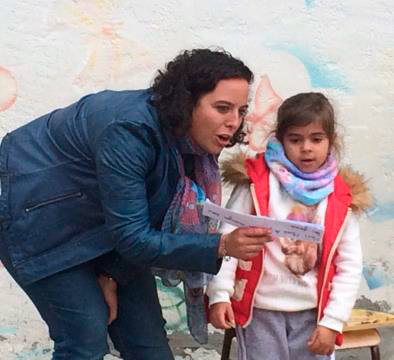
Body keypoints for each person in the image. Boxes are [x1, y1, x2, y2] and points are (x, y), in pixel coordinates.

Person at [0, 48, 273, 360]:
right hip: (36, 216)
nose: (233, 122)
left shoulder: (189, 138)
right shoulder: (129, 131)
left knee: (149, 345)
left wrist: (113, 274)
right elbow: (132, 237)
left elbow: (147, 216)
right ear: (187, 104)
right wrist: (221, 245)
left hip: (105, 227)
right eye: (222, 108)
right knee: (85, 337)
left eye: (240, 111)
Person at [206, 92, 371, 360]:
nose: (306, 147)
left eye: (316, 139)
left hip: (313, 315)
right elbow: (227, 240)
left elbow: (349, 266)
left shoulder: (341, 198)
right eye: (295, 139)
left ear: (331, 142)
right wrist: (220, 295)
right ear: (280, 141)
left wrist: (332, 322)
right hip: (260, 311)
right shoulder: (255, 184)